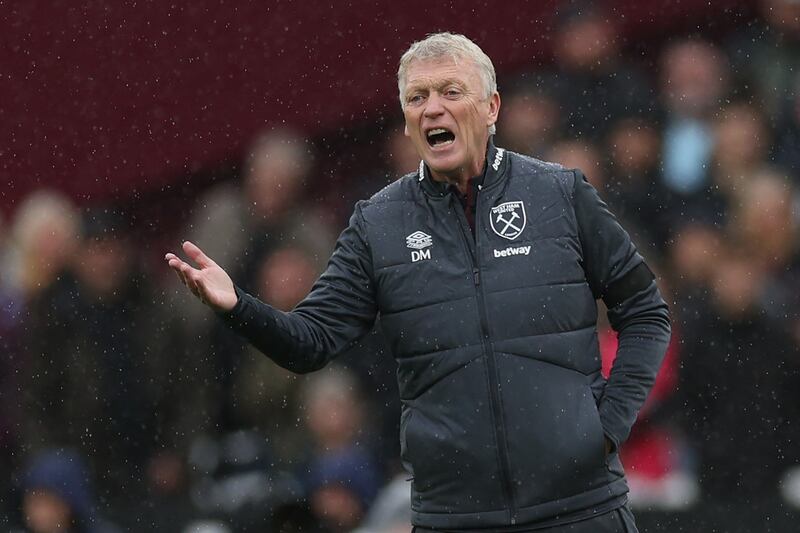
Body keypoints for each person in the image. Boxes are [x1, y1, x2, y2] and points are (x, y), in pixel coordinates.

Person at [166, 32, 671, 532]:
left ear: (492, 107)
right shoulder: (377, 225)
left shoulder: (561, 194)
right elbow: (310, 343)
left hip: (580, 510)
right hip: (455, 517)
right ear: (407, 124)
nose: (433, 109)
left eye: (451, 92)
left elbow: (646, 312)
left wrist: (606, 427)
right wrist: (238, 307)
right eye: (417, 97)